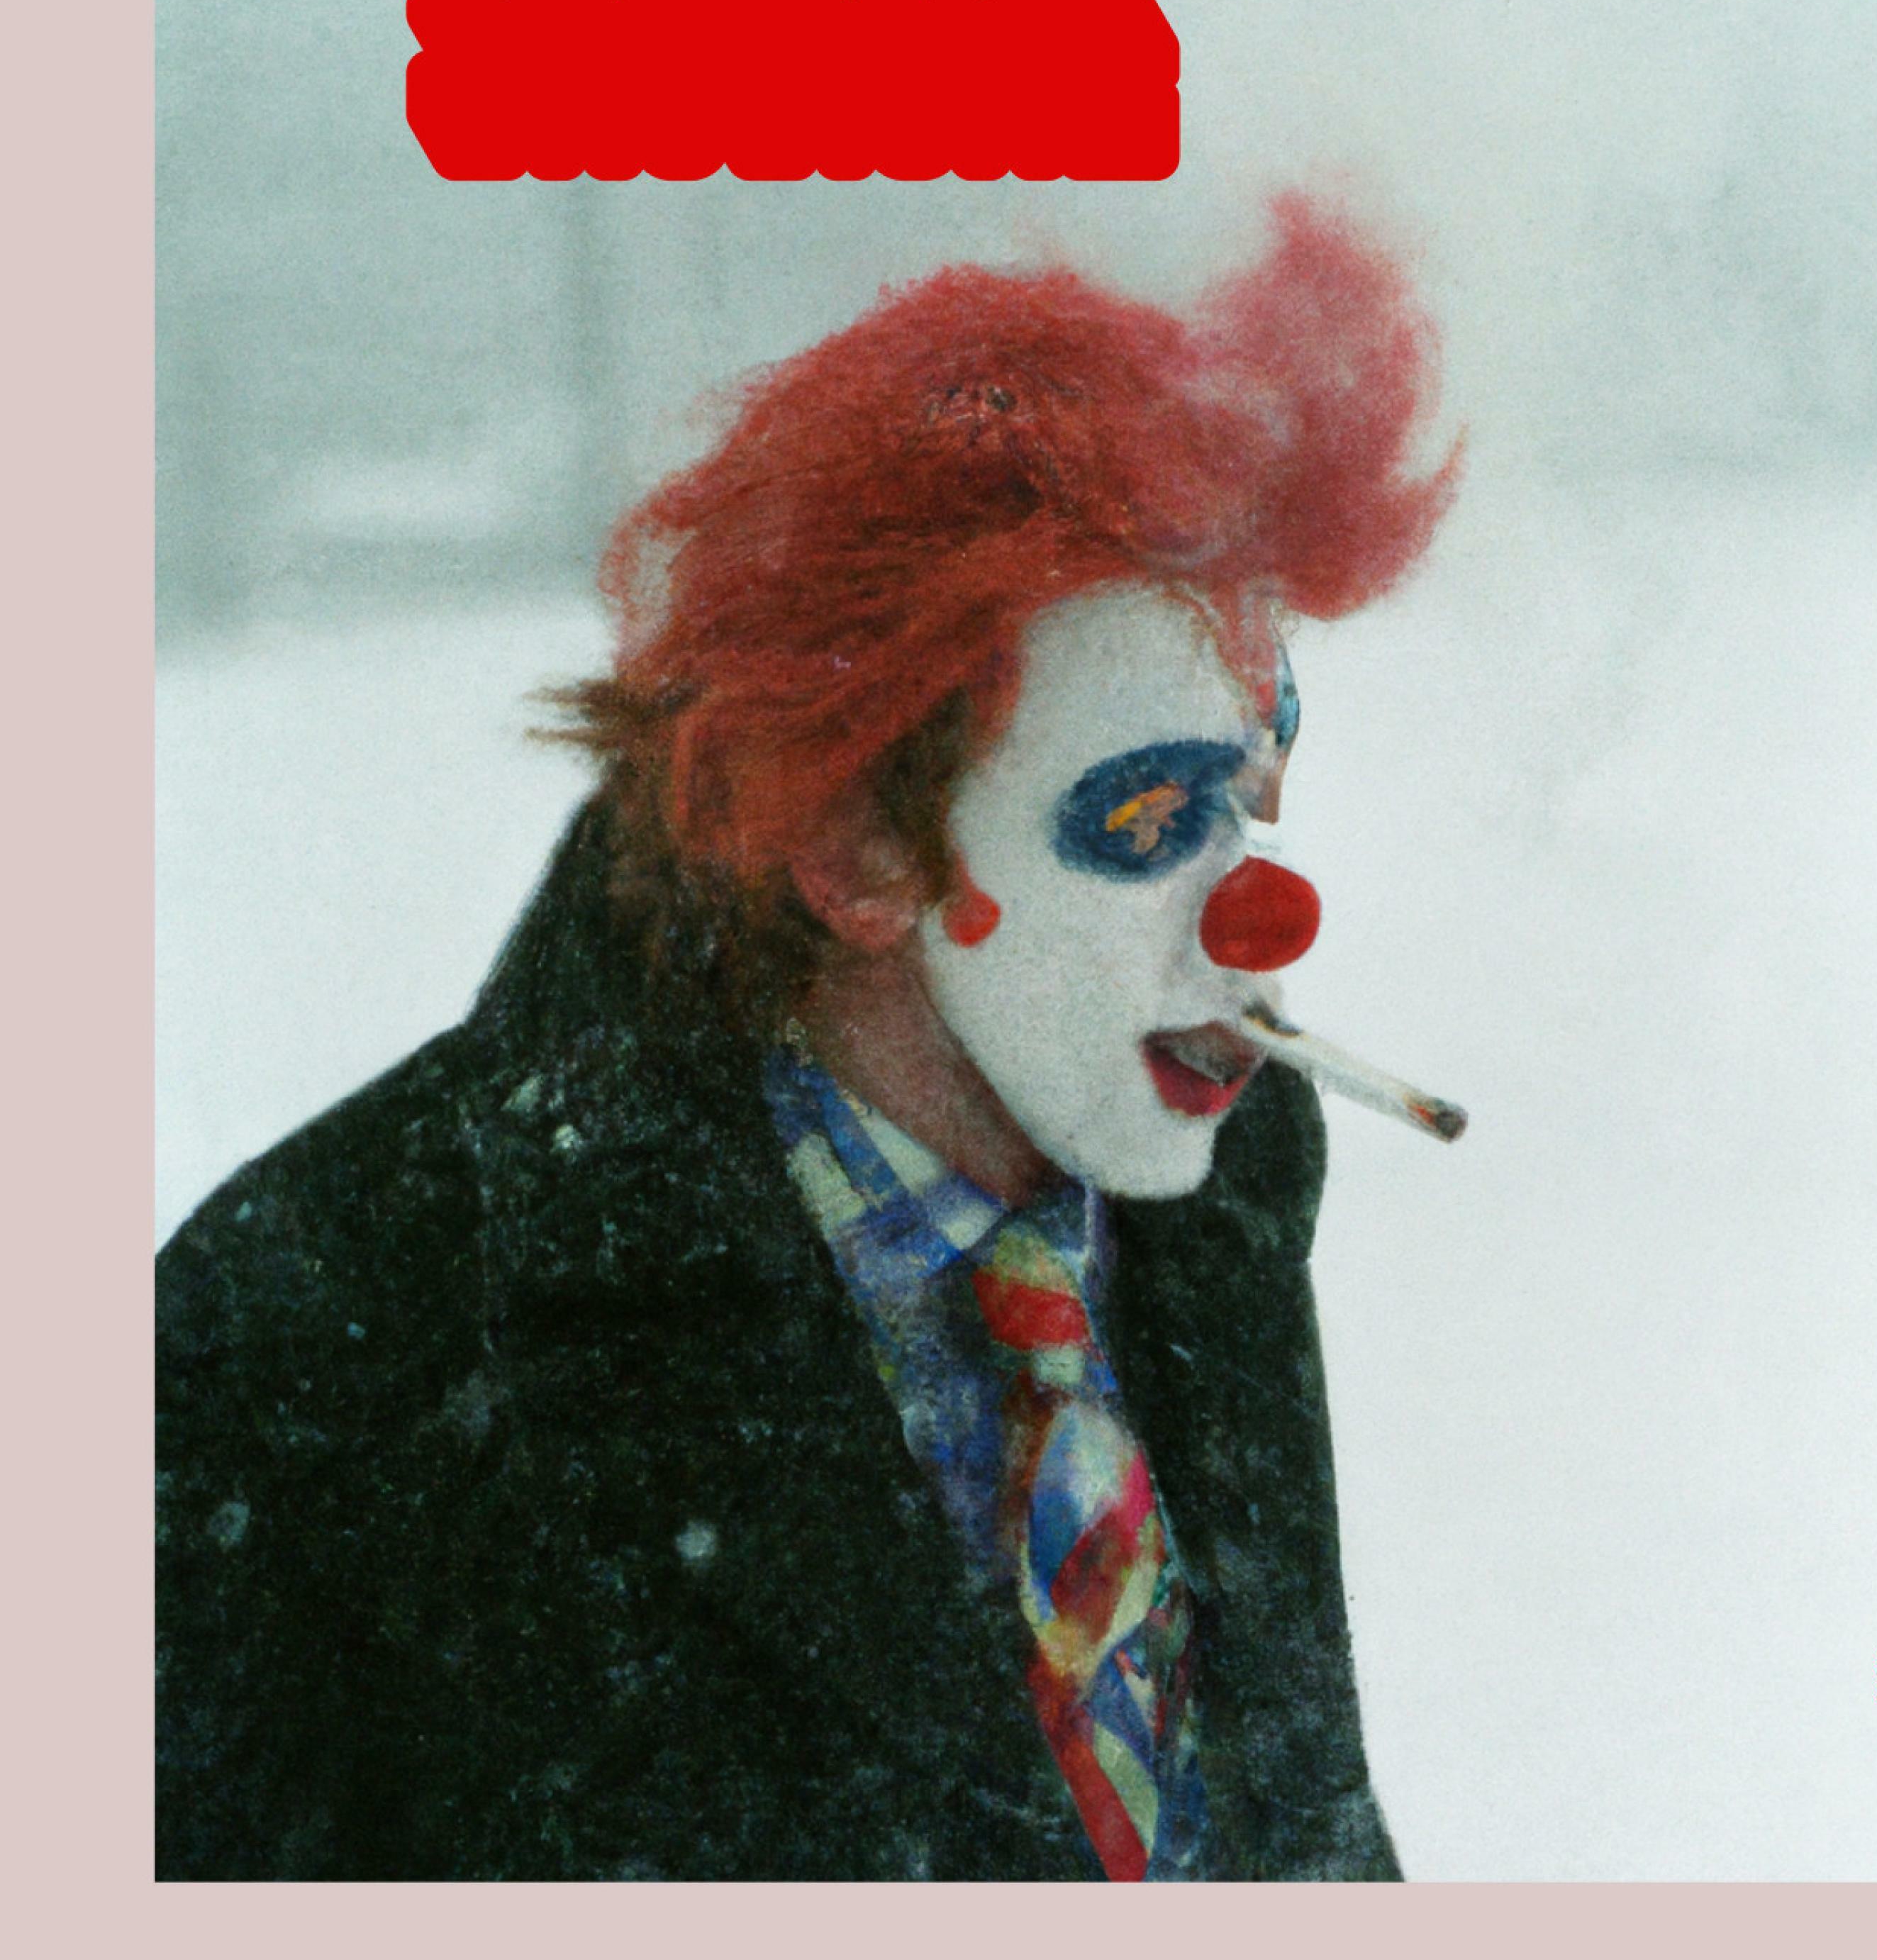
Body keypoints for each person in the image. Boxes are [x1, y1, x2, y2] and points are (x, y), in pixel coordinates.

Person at [155, 195, 1459, 1880]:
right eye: (1147, 817)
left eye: (1258, 797)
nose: (1260, 919)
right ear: (858, 850)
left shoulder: (1216, 1174)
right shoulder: (306, 1344)